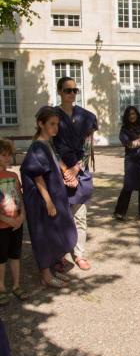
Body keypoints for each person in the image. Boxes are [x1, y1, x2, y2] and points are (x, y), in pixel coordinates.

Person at [20, 107, 77, 288]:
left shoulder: (46, 143)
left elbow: (53, 164)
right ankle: (45, 275)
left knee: (53, 232)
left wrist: (65, 175)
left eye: (57, 124)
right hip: (40, 200)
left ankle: (51, 269)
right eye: (52, 124)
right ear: (40, 124)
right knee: (42, 235)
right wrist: (48, 201)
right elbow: (37, 176)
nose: (56, 128)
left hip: (49, 197)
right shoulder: (38, 146)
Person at [53, 77, 98, 271]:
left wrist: (76, 168)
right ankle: (59, 254)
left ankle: (79, 254)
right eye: (67, 90)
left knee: (80, 215)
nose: (71, 94)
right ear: (59, 91)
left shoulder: (86, 116)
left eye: (74, 90)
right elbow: (48, 145)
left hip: (80, 170)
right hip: (57, 170)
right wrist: (64, 169)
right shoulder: (51, 115)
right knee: (61, 215)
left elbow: (88, 146)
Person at [113, 105, 140, 221]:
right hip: (131, 160)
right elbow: (129, 145)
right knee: (128, 186)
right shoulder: (124, 129)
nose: (132, 116)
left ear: (137, 115)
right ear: (126, 116)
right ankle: (119, 211)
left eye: (134, 114)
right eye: (130, 114)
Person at [0, 139, 28, 305]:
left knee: (15, 255)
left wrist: (22, 215)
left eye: (9, 155)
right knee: (1, 258)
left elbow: (19, 197)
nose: (7, 159)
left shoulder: (13, 175)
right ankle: (1, 288)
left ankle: (16, 285)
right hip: (2, 225)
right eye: (3, 155)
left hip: (17, 223)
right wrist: (6, 219)